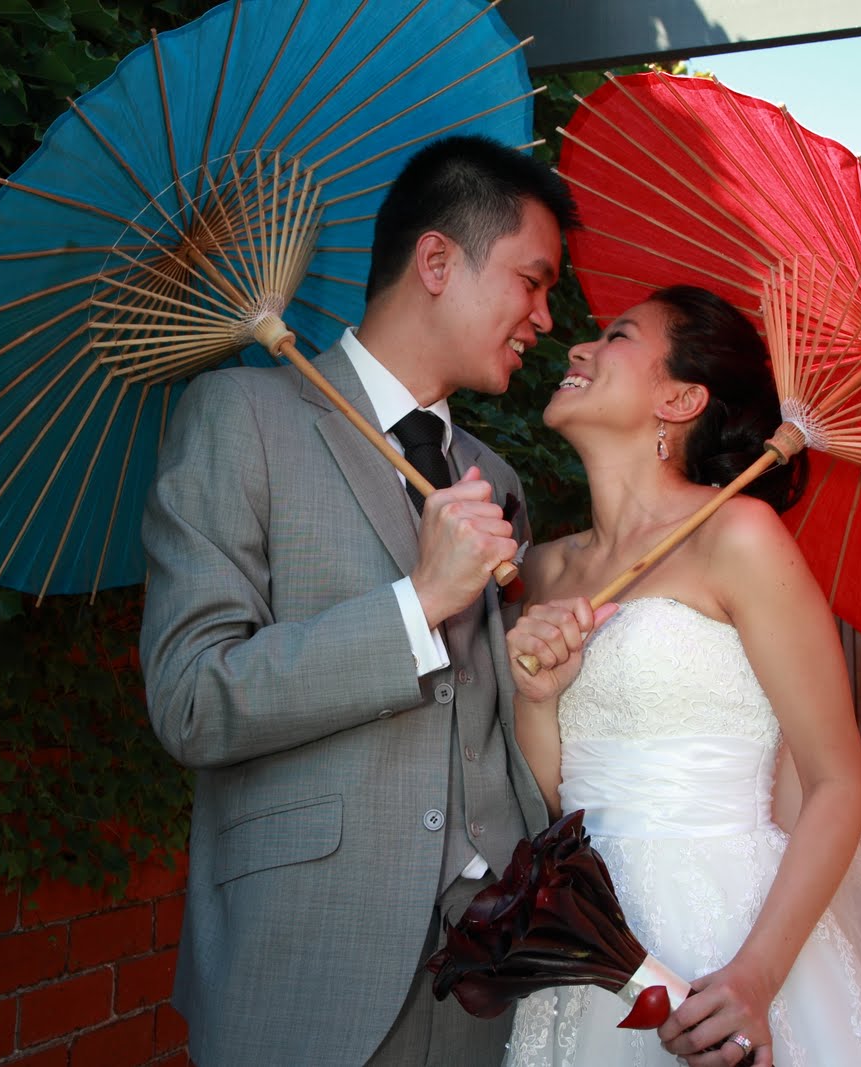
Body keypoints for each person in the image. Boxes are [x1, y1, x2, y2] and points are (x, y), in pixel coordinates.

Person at [138, 135, 578, 1066]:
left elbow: (485, 727)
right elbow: (189, 697)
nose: (544, 315)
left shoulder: (494, 480)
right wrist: (417, 604)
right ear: (436, 261)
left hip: (483, 976)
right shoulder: (238, 419)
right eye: (532, 281)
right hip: (307, 967)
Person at [500, 286, 861, 1066]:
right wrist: (538, 695)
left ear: (681, 398)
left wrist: (756, 976)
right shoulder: (544, 566)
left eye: (616, 337)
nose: (577, 349)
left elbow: (838, 780)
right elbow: (553, 800)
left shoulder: (739, 535)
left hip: (733, 933)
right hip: (593, 938)